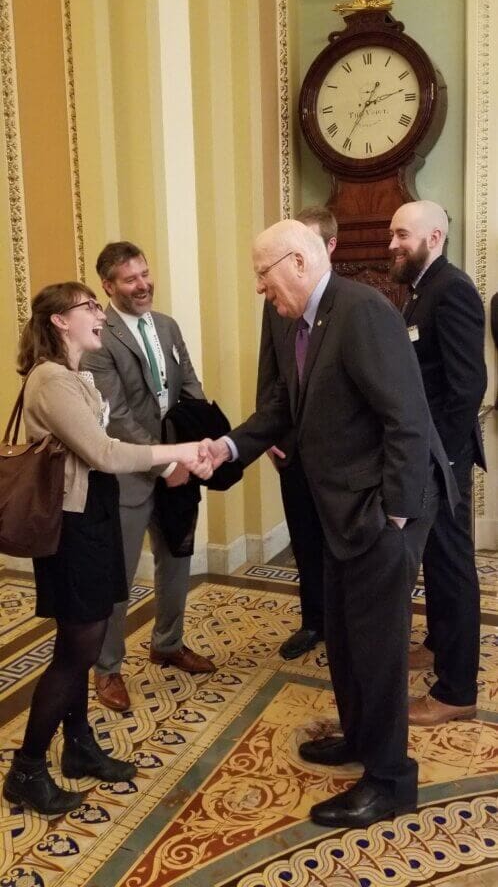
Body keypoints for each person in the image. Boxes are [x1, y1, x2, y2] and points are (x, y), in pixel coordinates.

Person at [202, 220, 456, 830]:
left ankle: (391, 780)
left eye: (262, 277)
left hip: (379, 510)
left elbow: (406, 418)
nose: (261, 290)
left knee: (376, 647)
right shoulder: (302, 319)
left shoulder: (360, 309)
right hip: (341, 511)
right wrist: (227, 449)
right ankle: (362, 740)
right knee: (342, 637)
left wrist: (393, 516)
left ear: (295, 261)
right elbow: (281, 411)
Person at [2, 282, 212, 817]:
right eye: (89, 307)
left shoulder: (76, 376)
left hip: (93, 515)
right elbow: (103, 450)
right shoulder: (50, 381)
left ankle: (78, 747)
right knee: (76, 653)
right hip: (70, 528)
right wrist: (180, 451)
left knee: (83, 645)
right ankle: (26, 770)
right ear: (59, 322)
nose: (100, 314)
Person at [83, 242, 215, 714]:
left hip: (180, 468)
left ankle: (168, 642)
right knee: (117, 574)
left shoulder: (167, 326)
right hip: (130, 474)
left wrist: (203, 445)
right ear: (109, 287)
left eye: (144, 273)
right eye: (130, 279)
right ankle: (108, 667)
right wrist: (165, 462)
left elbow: (191, 387)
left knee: (176, 558)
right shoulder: (101, 336)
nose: (143, 285)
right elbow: (116, 416)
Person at [389, 200, 487, 726]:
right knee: (438, 562)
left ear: (434, 236)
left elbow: (469, 385)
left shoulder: (452, 291)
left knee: (452, 568)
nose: (393, 244)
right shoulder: (422, 291)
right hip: (430, 454)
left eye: (402, 234)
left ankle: (456, 691)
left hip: (443, 457)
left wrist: (444, 459)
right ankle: (436, 645)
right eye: (391, 235)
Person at [257, 206, 337, 659]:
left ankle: (344, 623)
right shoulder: (276, 304)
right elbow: (269, 369)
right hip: (290, 446)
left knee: (339, 544)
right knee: (303, 538)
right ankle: (313, 622)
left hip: (336, 455)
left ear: (325, 249)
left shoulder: (355, 304)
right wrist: (265, 431)